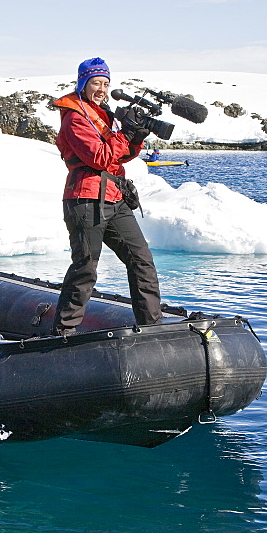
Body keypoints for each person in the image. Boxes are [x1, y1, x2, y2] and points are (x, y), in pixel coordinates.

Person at [51, 57, 162, 335]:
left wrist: (135, 136)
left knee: (141, 260)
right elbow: (99, 157)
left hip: (114, 196)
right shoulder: (75, 118)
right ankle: (63, 333)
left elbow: (121, 154)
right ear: (83, 84)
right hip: (85, 198)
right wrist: (124, 133)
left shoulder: (103, 114)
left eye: (105, 83)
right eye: (95, 83)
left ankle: (152, 327)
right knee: (86, 268)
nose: (101, 89)